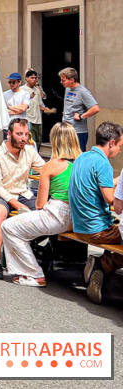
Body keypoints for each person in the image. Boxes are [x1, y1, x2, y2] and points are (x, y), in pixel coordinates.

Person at [1, 123, 81, 287]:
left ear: (54, 141)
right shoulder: (84, 161)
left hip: (57, 215)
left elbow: (40, 204)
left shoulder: (51, 165)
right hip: (79, 216)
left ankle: (34, 273)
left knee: (8, 226)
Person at [69, 121, 123, 304]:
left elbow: (101, 184)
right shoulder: (103, 164)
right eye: (120, 146)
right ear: (112, 143)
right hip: (97, 230)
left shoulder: (82, 158)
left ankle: (101, 266)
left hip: (78, 226)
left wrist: (118, 182)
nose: (119, 151)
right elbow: (112, 201)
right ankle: (103, 264)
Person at [0, 118, 46, 280]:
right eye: (19, 134)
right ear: (9, 134)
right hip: (0, 194)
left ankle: (29, 247)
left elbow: (45, 170)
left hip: (23, 194)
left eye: (26, 134)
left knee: (46, 214)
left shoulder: (30, 151)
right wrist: (15, 203)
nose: (23, 138)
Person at [59, 67, 100, 152]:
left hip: (78, 132)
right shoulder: (67, 89)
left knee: (78, 157)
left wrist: (81, 116)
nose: (61, 82)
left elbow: (95, 108)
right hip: (66, 129)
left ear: (72, 80)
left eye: (64, 80)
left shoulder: (83, 91)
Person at [20, 69, 52, 150]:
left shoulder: (37, 90)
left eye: (35, 78)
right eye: (32, 78)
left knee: (38, 140)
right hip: (28, 119)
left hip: (38, 120)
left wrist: (47, 109)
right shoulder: (22, 90)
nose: (34, 80)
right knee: (31, 141)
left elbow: (40, 104)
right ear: (26, 78)